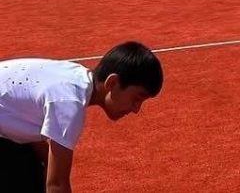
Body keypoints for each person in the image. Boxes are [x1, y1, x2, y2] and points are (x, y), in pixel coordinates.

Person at [0, 41, 163, 192]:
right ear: (112, 83)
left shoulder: (75, 77)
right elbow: (56, 185)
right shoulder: (69, 101)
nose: (136, 109)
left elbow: (23, 120)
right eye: (136, 99)